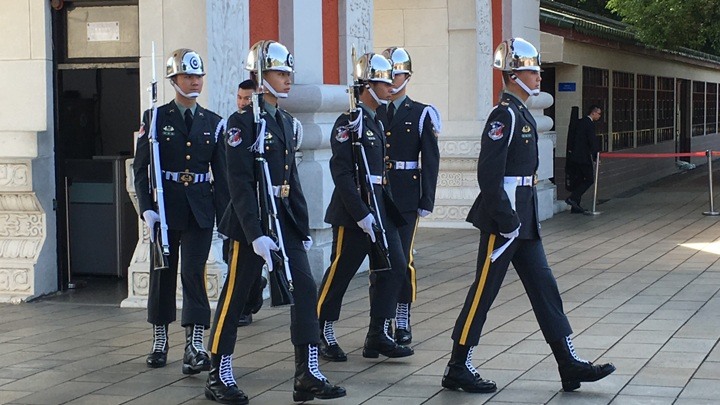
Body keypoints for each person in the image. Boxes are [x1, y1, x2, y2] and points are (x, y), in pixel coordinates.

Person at [441, 38, 615, 393]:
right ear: (513, 75)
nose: (538, 78)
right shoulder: (503, 114)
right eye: (532, 72)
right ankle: (458, 366)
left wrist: (521, 219)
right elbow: (489, 175)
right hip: (503, 221)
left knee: (545, 290)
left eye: (537, 72)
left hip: (523, 218)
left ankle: (568, 364)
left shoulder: (520, 113)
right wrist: (506, 221)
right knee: (483, 293)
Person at [206, 40, 345, 404]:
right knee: (236, 297)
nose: (287, 80)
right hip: (249, 224)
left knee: (305, 288)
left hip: (283, 221)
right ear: (260, 75)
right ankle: (218, 372)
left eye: (288, 74)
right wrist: (255, 234)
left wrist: (301, 225)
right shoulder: (241, 124)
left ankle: (308, 372)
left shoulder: (285, 121)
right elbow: (238, 184)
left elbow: (290, 179)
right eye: (280, 73)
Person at [133, 48, 229, 375]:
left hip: (200, 209)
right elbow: (141, 169)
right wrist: (146, 210)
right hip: (165, 207)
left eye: (198, 76)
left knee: (193, 272)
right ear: (174, 80)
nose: (194, 82)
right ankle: (160, 338)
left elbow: (223, 175)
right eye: (187, 76)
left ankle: (194, 344)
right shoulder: (156, 118)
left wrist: (226, 216)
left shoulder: (213, 123)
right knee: (163, 273)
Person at [316, 53, 414, 362]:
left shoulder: (373, 119)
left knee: (395, 266)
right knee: (341, 272)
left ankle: (377, 334)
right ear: (367, 85)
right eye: (383, 82)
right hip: (353, 211)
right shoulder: (349, 121)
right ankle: (323, 331)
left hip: (381, 207)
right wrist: (360, 213)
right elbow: (342, 173)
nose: (390, 87)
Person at [376, 47, 440, 345]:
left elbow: (430, 157)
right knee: (383, 260)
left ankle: (402, 315)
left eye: (396, 74)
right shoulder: (374, 110)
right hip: (379, 194)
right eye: (387, 75)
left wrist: (427, 199)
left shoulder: (420, 112)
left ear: (407, 77)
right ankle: (382, 320)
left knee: (404, 259)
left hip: (406, 193)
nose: (391, 80)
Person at [232, 78, 268, 328]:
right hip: (238, 203)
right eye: (240, 98)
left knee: (256, 259)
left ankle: (253, 295)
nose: (243, 103)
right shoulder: (235, 125)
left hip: (263, 203)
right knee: (240, 258)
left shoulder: (267, 124)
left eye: (248, 98)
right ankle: (245, 305)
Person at [565, 105, 602, 213]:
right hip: (583, 157)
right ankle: (572, 198)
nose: (599, 116)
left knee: (579, 180)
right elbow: (592, 141)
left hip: (574, 157)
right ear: (593, 113)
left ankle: (575, 206)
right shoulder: (589, 124)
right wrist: (596, 156)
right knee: (589, 179)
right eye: (599, 114)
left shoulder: (580, 122)